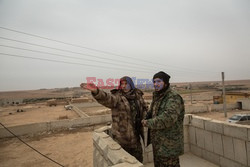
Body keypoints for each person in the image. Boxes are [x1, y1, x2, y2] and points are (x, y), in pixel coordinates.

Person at [80, 76, 148, 163]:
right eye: (122, 84)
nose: (123, 86)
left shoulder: (138, 96)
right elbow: (108, 98)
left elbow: (145, 109)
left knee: (138, 162)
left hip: (136, 139)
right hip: (122, 140)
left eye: (126, 84)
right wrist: (96, 91)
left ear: (131, 84)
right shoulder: (118, 97)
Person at [142, 71, 185, 167]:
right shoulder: (157, 96)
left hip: (169, 145)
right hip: (158, 144)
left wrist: (147, 123)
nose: (155, 84)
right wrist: (144, 117)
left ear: (165, 83)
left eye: (158, 81)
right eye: (154, 82)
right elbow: (151, 112)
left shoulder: (173, 97)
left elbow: (168, 118)